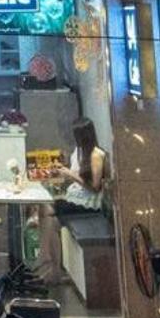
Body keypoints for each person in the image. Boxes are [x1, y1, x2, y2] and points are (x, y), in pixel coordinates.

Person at [38, 119, 109, 286]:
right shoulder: (79, 152)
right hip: (75, 199)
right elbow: (74, 176)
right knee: (50, 220)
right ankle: (52, 268)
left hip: (88, 205)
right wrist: (60, 172)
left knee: (47, 212)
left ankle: (50, 267)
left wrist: (71, 175)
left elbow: (95, 187)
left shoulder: (96, 155)